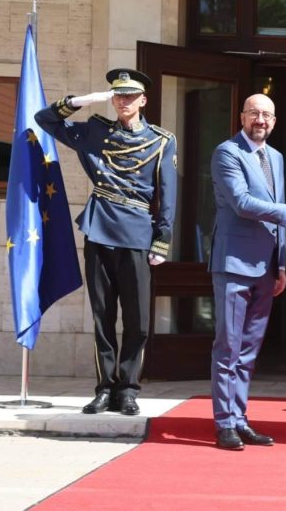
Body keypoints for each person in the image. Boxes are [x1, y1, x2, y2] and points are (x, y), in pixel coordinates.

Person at [35, 68, 177, 416]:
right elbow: (45, 120)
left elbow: (168, 193)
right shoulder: (95, 132)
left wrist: (162, 239)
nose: (123, 101)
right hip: (100, 228)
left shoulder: (161, 141)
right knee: (103, 317)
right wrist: (83, 101)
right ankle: (104, 388)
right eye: (118, 95)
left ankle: (127, 389)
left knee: (137, 320)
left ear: (143, 100)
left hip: (137, 233)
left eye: (130, 96)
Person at [208, 93, 286, 450]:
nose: (260, 120)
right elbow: (242, 203)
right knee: (228, 346)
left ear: (274, 122)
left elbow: (275, 216)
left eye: (267, 115)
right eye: (254, 113)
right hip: (234, 263)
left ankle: (239, 418)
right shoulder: (227, 152)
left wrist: (282, 263)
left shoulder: (275, 157)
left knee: (248, 350)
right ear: (242, 117)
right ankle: (224, 423)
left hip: (266, 266)